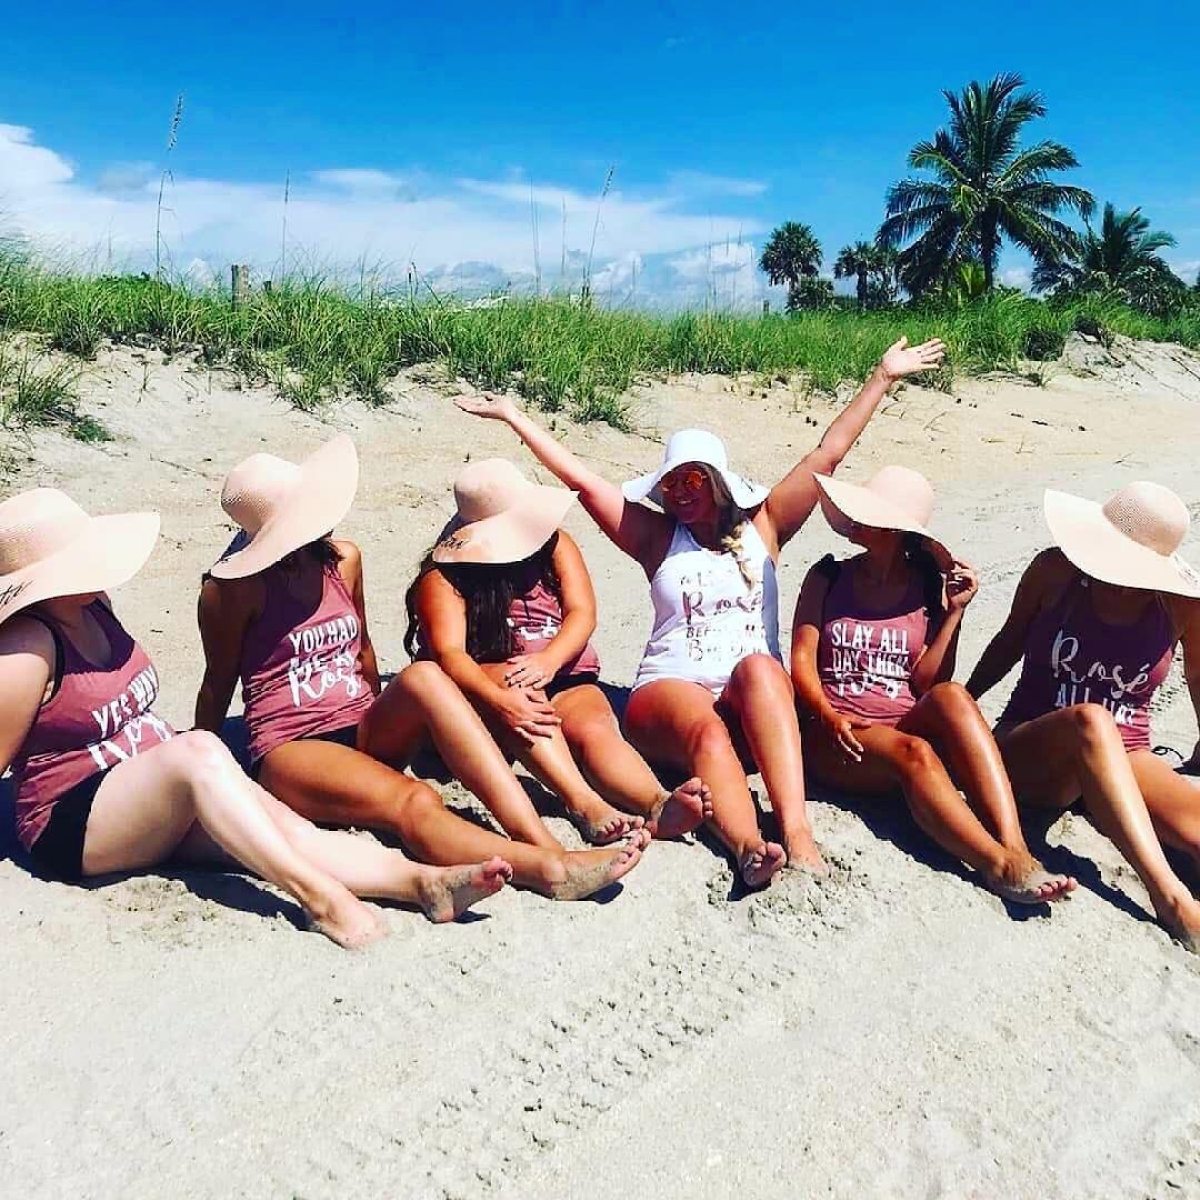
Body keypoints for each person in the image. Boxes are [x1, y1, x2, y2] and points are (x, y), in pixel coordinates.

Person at [455, 335, 946, 888]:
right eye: (671, 482)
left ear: (717, 482)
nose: (681, 493)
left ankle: (797, 830)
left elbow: (825, 455)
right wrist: (516, 418)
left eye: (693, 480)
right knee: (707, 733)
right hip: (671, 693)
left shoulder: (766, 526)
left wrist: (881, 377)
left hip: (755, 707)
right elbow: (582, 481)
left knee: (761, 667)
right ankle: (745, 847)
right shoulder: (657, 538)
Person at [0, 487, 510, 950]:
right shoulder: (26, 648)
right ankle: (320, 900)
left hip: (144, 790)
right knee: (201, 751)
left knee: (286, 830)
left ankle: (421, 884)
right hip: (71, 821)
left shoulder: (93, 604)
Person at [195, 436, 646, 903]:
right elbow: (218, 681)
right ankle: (549, 866)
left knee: (424, 676)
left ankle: (537, 836)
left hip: (361, 725)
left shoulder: (343, 558)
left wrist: (384, 707)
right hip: (295, 743)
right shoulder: (231, 590)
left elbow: (363, 648)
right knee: (415, 800)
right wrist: (208, 771)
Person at [790, 465, 1074, 903]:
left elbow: (928, 682)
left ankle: (1015, 843)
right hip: (838, 733)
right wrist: (827, 715)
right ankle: (996, 865)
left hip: (899, 725)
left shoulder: (925, 586)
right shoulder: (828, 576)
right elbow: (802, 662)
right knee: (916, 752)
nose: (859, 521)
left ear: (896, 530)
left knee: (953, 696)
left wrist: (954, 613)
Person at [405, 457, 712, 844]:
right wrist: (499, 700)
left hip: (561, 671)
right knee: (526, 701)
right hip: (488, 688)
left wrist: (551, 659)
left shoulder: (554, 544)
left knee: (594, 729)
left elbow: (582, 612)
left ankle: (656, 803)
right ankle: (583, 802)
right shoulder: (445, 576)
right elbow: (450, 654)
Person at [967, 481, 1200, 949]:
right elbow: (1010, 641)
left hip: (1126, 758)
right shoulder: (1055, 572)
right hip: (1035, 746)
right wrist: (963, 707)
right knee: (1092, 721)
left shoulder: (1181, 605)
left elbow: (1198, 677)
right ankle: (1171, 898)